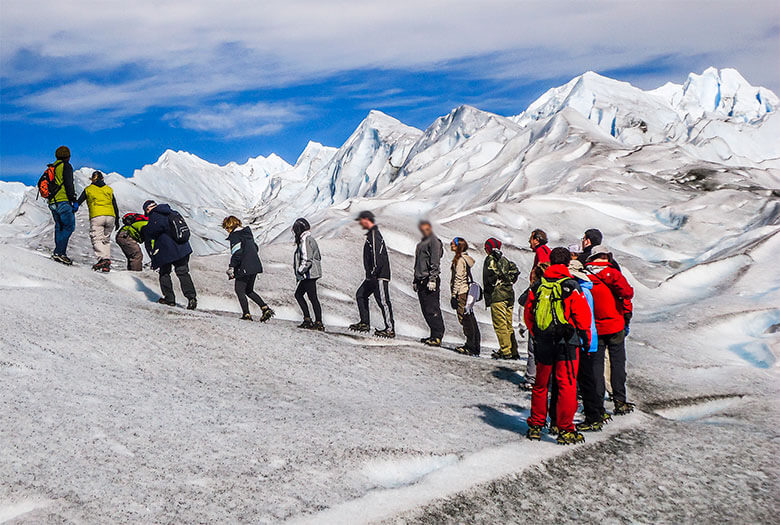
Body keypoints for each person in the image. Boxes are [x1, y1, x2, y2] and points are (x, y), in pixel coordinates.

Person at [524, 247, 592, 445]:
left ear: (551, 261)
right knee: (566, 385)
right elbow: (583, 317)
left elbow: (529, 314)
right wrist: (584, 337)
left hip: (543, 341)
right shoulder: (571, 285)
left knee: (540, 385)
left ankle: (536, 425)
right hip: (566, 343)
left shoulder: (538, 286)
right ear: (567, 263)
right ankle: (565, 429)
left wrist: (537, 333)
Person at [586, 245, 635, 415]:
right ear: (607, 256)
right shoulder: (613, 273)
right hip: (615, 324)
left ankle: (598, 404)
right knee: (617, 364)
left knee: (596, 366)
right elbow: (628, 293)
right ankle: (620, 400)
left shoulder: (585, 275)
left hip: (594, 327)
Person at [567, 259, 605, 431]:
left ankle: (593, 416)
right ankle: (597, 412)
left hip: (583, 340)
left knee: (585, 380)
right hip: (590, 339)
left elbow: (582, 318)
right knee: (588, 379)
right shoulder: (586, 289)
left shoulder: (579, 291)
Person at [142, 200, 197, 310]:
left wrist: (145, 229)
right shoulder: (172, 212)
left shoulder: (155, 216)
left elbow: (152, 232)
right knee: (183, 273)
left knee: (164, 273)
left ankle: (169, 299)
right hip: (182, 248)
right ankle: (191, 298)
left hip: (166, 250)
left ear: (148, 209)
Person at [349, 211, 395, 338]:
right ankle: (365, 323)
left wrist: (374, 272)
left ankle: (390, 329)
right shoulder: (371, 235)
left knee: (383, 301)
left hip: (379, 275)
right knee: (361, 294)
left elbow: (377, 255)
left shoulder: (374, 234)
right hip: (373, 276)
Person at [222, 216, 274, 322]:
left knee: (239, 289)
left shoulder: (235, 236)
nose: (226, 231)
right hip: (254, 265)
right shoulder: (247, 234)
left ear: (229, 226)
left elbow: (237, 253)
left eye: (226, 228)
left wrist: (232, 266)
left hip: (244, 266)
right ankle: (265, 308)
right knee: (249, 290)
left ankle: (246, 314)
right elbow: (255, 247)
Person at [482, 238, 520, 360]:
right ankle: (513, 350)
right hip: (509, 294)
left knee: (500, 324)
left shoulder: (491, 260)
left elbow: (491, 276)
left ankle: (505, 350)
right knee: (508, 324)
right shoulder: (504, 260)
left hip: (497, 295)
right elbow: (514, 271)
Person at [76, 171, 120, 272]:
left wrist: (73, 208)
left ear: (92, 179)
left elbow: (79, 202)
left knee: (96, 238)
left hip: (97, 215)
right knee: (106, 239)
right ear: (102, 179)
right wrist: (117, 219)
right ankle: (106, 262)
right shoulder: (108, 189)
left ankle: (102, 259)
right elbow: (115, 205)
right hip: (110, 216)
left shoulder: (89, 189)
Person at [517, 262, 548, 390]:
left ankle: (531, 378)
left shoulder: (535, 287)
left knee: (533, 352)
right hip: (552, 325)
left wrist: (526, 324)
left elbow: (523, 301)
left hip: (536, 324)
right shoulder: (556, 284)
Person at [414, 220, 445, 346]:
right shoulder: (421, 243)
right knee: (426, 309)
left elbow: (435, 261)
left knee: (432, 308)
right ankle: (433, 335)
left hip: (429, 280)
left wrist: (432, 279)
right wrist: (415, 279)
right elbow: (418, 263)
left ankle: (437, 336)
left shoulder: (433, 241)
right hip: (421, 280)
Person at [47, 146, 78, 265]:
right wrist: (73, 200)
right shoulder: (66, 166)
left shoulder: (52, 167)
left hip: (52, 202)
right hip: (63, 201)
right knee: (69, 227)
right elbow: (69, 184)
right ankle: (60, 253)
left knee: (59, 227)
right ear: (68, 156)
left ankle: (58, 252)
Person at [449, 237, 480, 356]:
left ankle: (470, 346)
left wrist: (454, 295)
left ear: (458, 246)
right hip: (466, 291)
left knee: (464, 319)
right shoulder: (466, 259)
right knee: (469, 317)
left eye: (453, 244)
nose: (451, 245)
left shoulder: (460, 260)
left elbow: (458, 278)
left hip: (461, 292)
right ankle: (475, 345)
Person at [292, 218, 324, 331]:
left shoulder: (305, 240)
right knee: (308, 296)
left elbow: (307, 258)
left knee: (307, 296)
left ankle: (313, 320)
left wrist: (300, 270)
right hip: (310, 274)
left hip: (308, 274)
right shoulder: (308, 239)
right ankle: (313, 320)